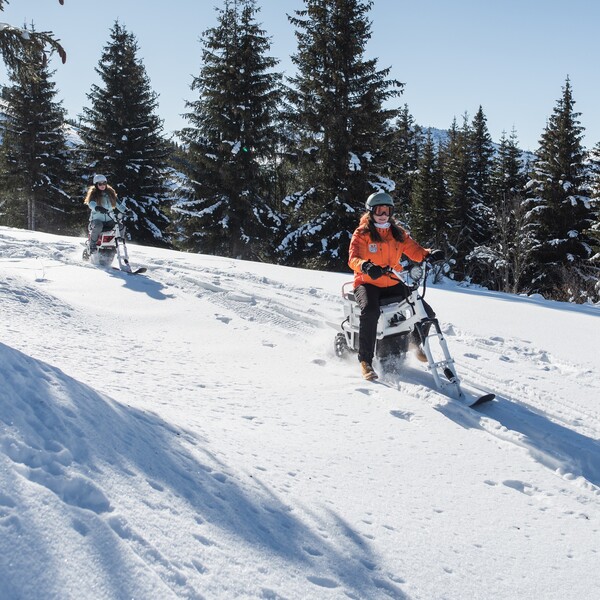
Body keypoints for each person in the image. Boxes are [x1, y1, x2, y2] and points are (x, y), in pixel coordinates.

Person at [348, 191, 443, 381]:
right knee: (370, 311)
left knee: (426, 311)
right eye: (379, 210)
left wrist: (429, 254)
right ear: (370, 212)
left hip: (392, 280)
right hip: (368, 282)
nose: (383, 215)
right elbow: (353, 259)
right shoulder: (362, 233)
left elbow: (415, 251)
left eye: (387, 210)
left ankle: (415, 343)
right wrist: (365, 266)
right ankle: (366, 360)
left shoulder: (397, 233)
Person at [83, 174, 126, 255]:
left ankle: (118, 243)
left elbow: (119, 205)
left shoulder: (111, 194)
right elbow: (91, 203)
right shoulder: (94, 194)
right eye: (100, 184)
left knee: (120, 226)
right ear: (96, 185)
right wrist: (97, 208)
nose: (102, 186)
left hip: (109, 219)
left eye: (104, 183)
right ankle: (92, 245)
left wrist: (126, 211)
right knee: (99, 226)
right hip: (96, 220)